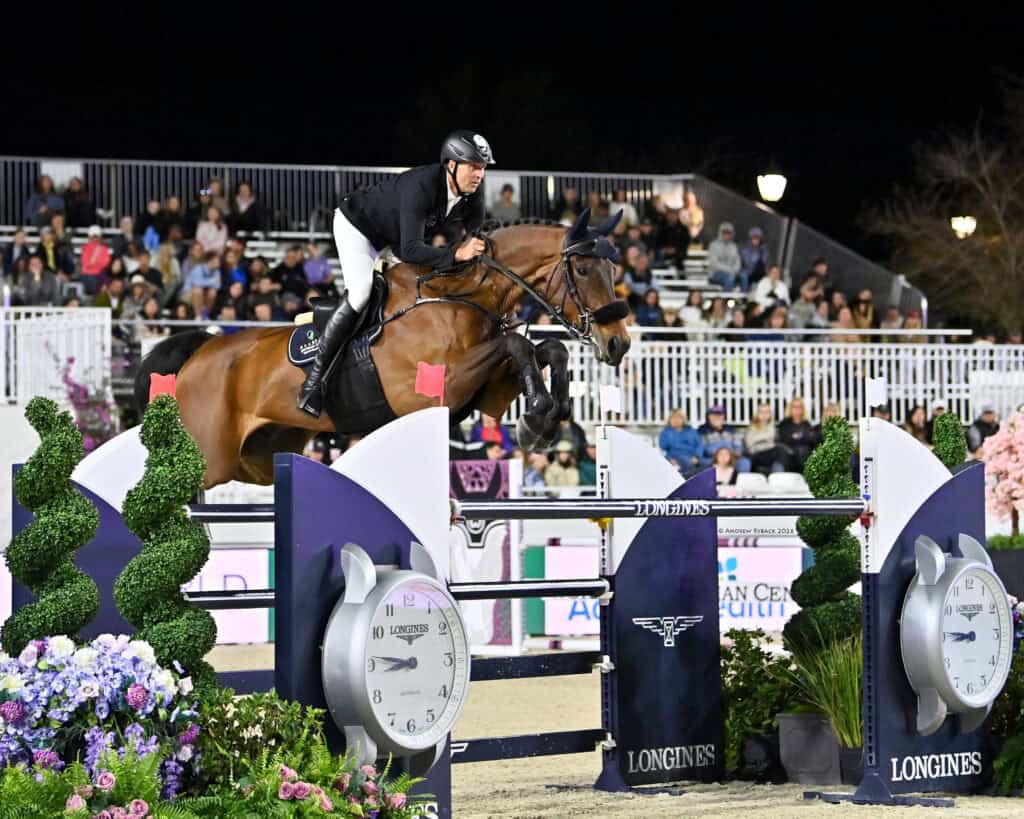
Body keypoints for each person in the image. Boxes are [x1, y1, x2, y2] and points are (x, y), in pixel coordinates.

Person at [298, 130, 494, 417]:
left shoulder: (470, 193)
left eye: (483, 168)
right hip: (358, 227)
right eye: (474, 167)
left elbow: (478, 235)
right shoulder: (422, 185)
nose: (479, 174)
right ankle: (314, 382)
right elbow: (415, 249)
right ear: (451, 165)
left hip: (395, 241)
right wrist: (455, 254)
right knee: (362, 291)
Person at [698, 405, 751, 472]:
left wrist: (729, 453)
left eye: (719, 415)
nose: (717, 417)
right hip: (712, 458)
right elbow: (705, 449)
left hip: (731, 457)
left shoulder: (731, 430)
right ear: (708, 417)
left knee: (744, 462)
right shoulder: (702, 431)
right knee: (703, 461)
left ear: (723, 417)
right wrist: (722, 451)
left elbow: (738, 446)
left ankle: (740, 482)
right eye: (714, 415)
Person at [744, 402, 788, 475]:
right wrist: (765, 439)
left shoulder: (772, 426)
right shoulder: (751, 427)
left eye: (767, 412)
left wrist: (757, 439)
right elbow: (749, 443)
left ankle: (778, 476)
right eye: (761, 412)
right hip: (756, 454)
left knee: (781, 452)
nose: (764, 414)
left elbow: (771, 438)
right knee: (779, 451)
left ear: (770, 414)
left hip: (770, 454)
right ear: (757, 414)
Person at [659, 409, 704, 475]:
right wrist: (670, 459)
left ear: (683, 419)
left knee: (707, 463)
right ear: (669, 420)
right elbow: (663, 449)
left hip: (692, 457)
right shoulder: (666, 432)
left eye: (679, 418)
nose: (676, 420)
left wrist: (696, 456)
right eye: (673, 418)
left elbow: (699, 445)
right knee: (684, 463)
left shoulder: (691, 431)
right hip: (675, 458)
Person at [777, 396, 816, 472]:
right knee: (801, 450)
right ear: (790, 409)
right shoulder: (784, 423)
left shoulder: (806, 424)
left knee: (803, 450)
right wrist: (802, 437)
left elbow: (811, 440)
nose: (797, 409)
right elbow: (785, 439)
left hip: (805, 453)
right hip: (789, 453)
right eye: (794, 406)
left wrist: (796, 436)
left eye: (799, 406)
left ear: (803, 409)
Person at [708, 222, 743, 292]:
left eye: (729, 233)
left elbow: (738, 261)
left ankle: (743, 299)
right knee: (729, 277)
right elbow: (714, 263)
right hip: (716, 273)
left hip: (732, 272)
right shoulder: (714, 245)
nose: (727, 235)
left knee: (744, 277)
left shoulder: (734, 246)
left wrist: (735, 270)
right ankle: (726, 298)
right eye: (725, 232)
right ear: (721, 233)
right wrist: (729, 270)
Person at [80, 225, 112, 296]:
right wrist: (97, 264)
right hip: (87, 274)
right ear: (89, 237)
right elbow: (85, 263)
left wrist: (94, 264)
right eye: (93, 237)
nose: (95, 239)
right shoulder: (85, 248)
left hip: (100, 274)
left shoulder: (104, 248)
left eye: (96, 237)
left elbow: (106, 263)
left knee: (108, 283)